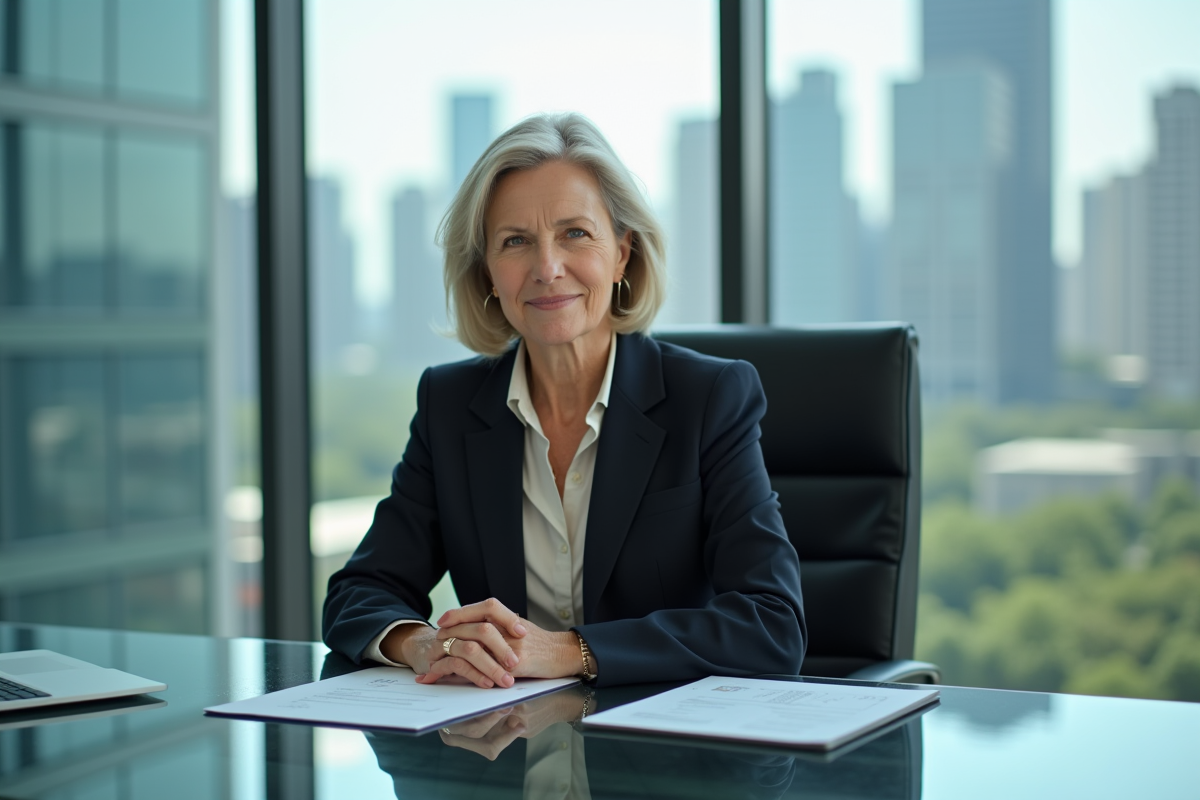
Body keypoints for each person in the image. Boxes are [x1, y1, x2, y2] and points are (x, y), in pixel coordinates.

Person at [322, 112, 805, 689]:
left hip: (664, 761)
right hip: (501, 755)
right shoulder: (449, 407)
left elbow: (771, 625)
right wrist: (427, 643)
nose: (548, 268)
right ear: (487, 276)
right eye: (515, 241)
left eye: (575, 233)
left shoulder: (708, 399)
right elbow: (358, 592)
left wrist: (571, 652)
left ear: (623, 252)